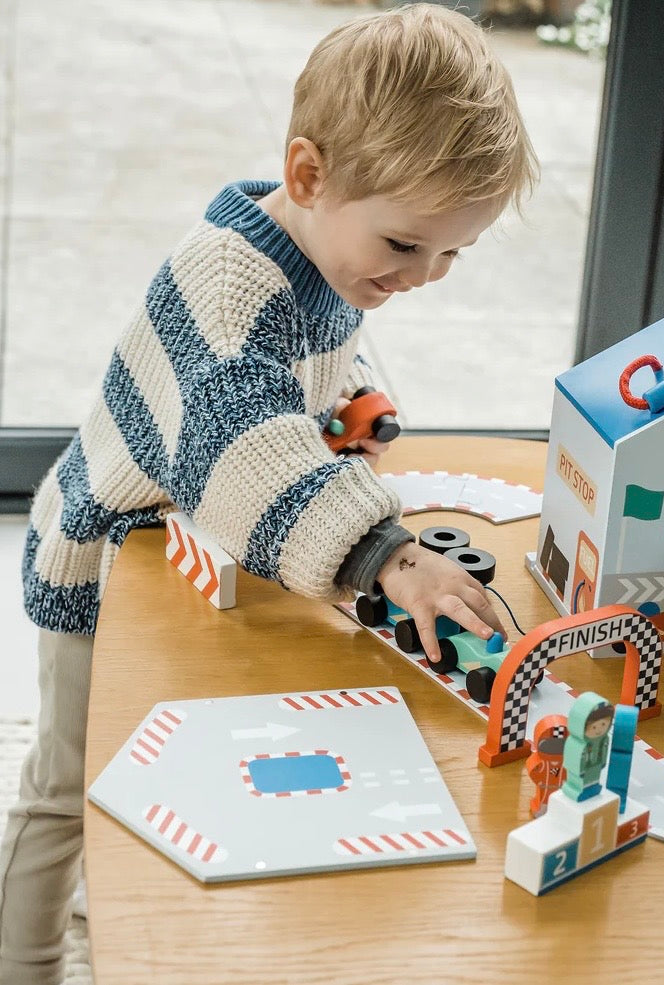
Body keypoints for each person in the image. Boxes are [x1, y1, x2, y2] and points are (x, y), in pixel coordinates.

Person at [0, 6, 538, 982]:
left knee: (171, 745)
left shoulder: (327, 252)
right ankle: (23, 955)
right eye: (408, 246)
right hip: (105, 561)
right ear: (306, 176)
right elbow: (238, 437)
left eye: (454, 254)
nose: (425, 277)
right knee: (64, 783)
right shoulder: (223, 279)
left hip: (187, 559)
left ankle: (106, 885)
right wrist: (386, 554)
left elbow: (318, 357)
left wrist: (360, 407)